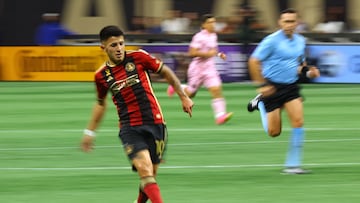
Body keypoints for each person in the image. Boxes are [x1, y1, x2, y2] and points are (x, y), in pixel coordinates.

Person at [80, 25, 194, 203]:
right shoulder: (101, 76)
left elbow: (166, 72)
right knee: (144, 169)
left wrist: (183, 96)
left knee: (150, 175)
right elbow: (101, 104)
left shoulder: (139, 57)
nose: (119, 49)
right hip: (129, 128)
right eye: (113, 45)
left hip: (155, 123)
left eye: (121, 44)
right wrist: (90, 132)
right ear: (103, 47)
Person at [246, 8, 320, 174]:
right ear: (280, 23)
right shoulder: (271, 41)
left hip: (291, 87)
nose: (289, 25)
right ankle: (260, 105)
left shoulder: (300, 41)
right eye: (286, 21)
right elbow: (253, 61)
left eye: (292, 21)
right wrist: (261, 85)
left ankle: (293, 165)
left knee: (298, 122)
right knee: (274, 132)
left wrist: (309, 72)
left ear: (297, 22)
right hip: (272, 87)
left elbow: (301, 64)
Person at [167, 14, 233, 125]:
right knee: (191, 94)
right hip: (197, 69)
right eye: (210, 22)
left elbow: (214, 50)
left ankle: (220, 116)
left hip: (209, 68)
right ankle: (176, 86)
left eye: (214, 22)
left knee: (216, 89)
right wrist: (208, 54)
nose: (213, 24)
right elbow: (192, 53)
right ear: (203, 24)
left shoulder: (213, 36)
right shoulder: (198, 37)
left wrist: (219, 54)